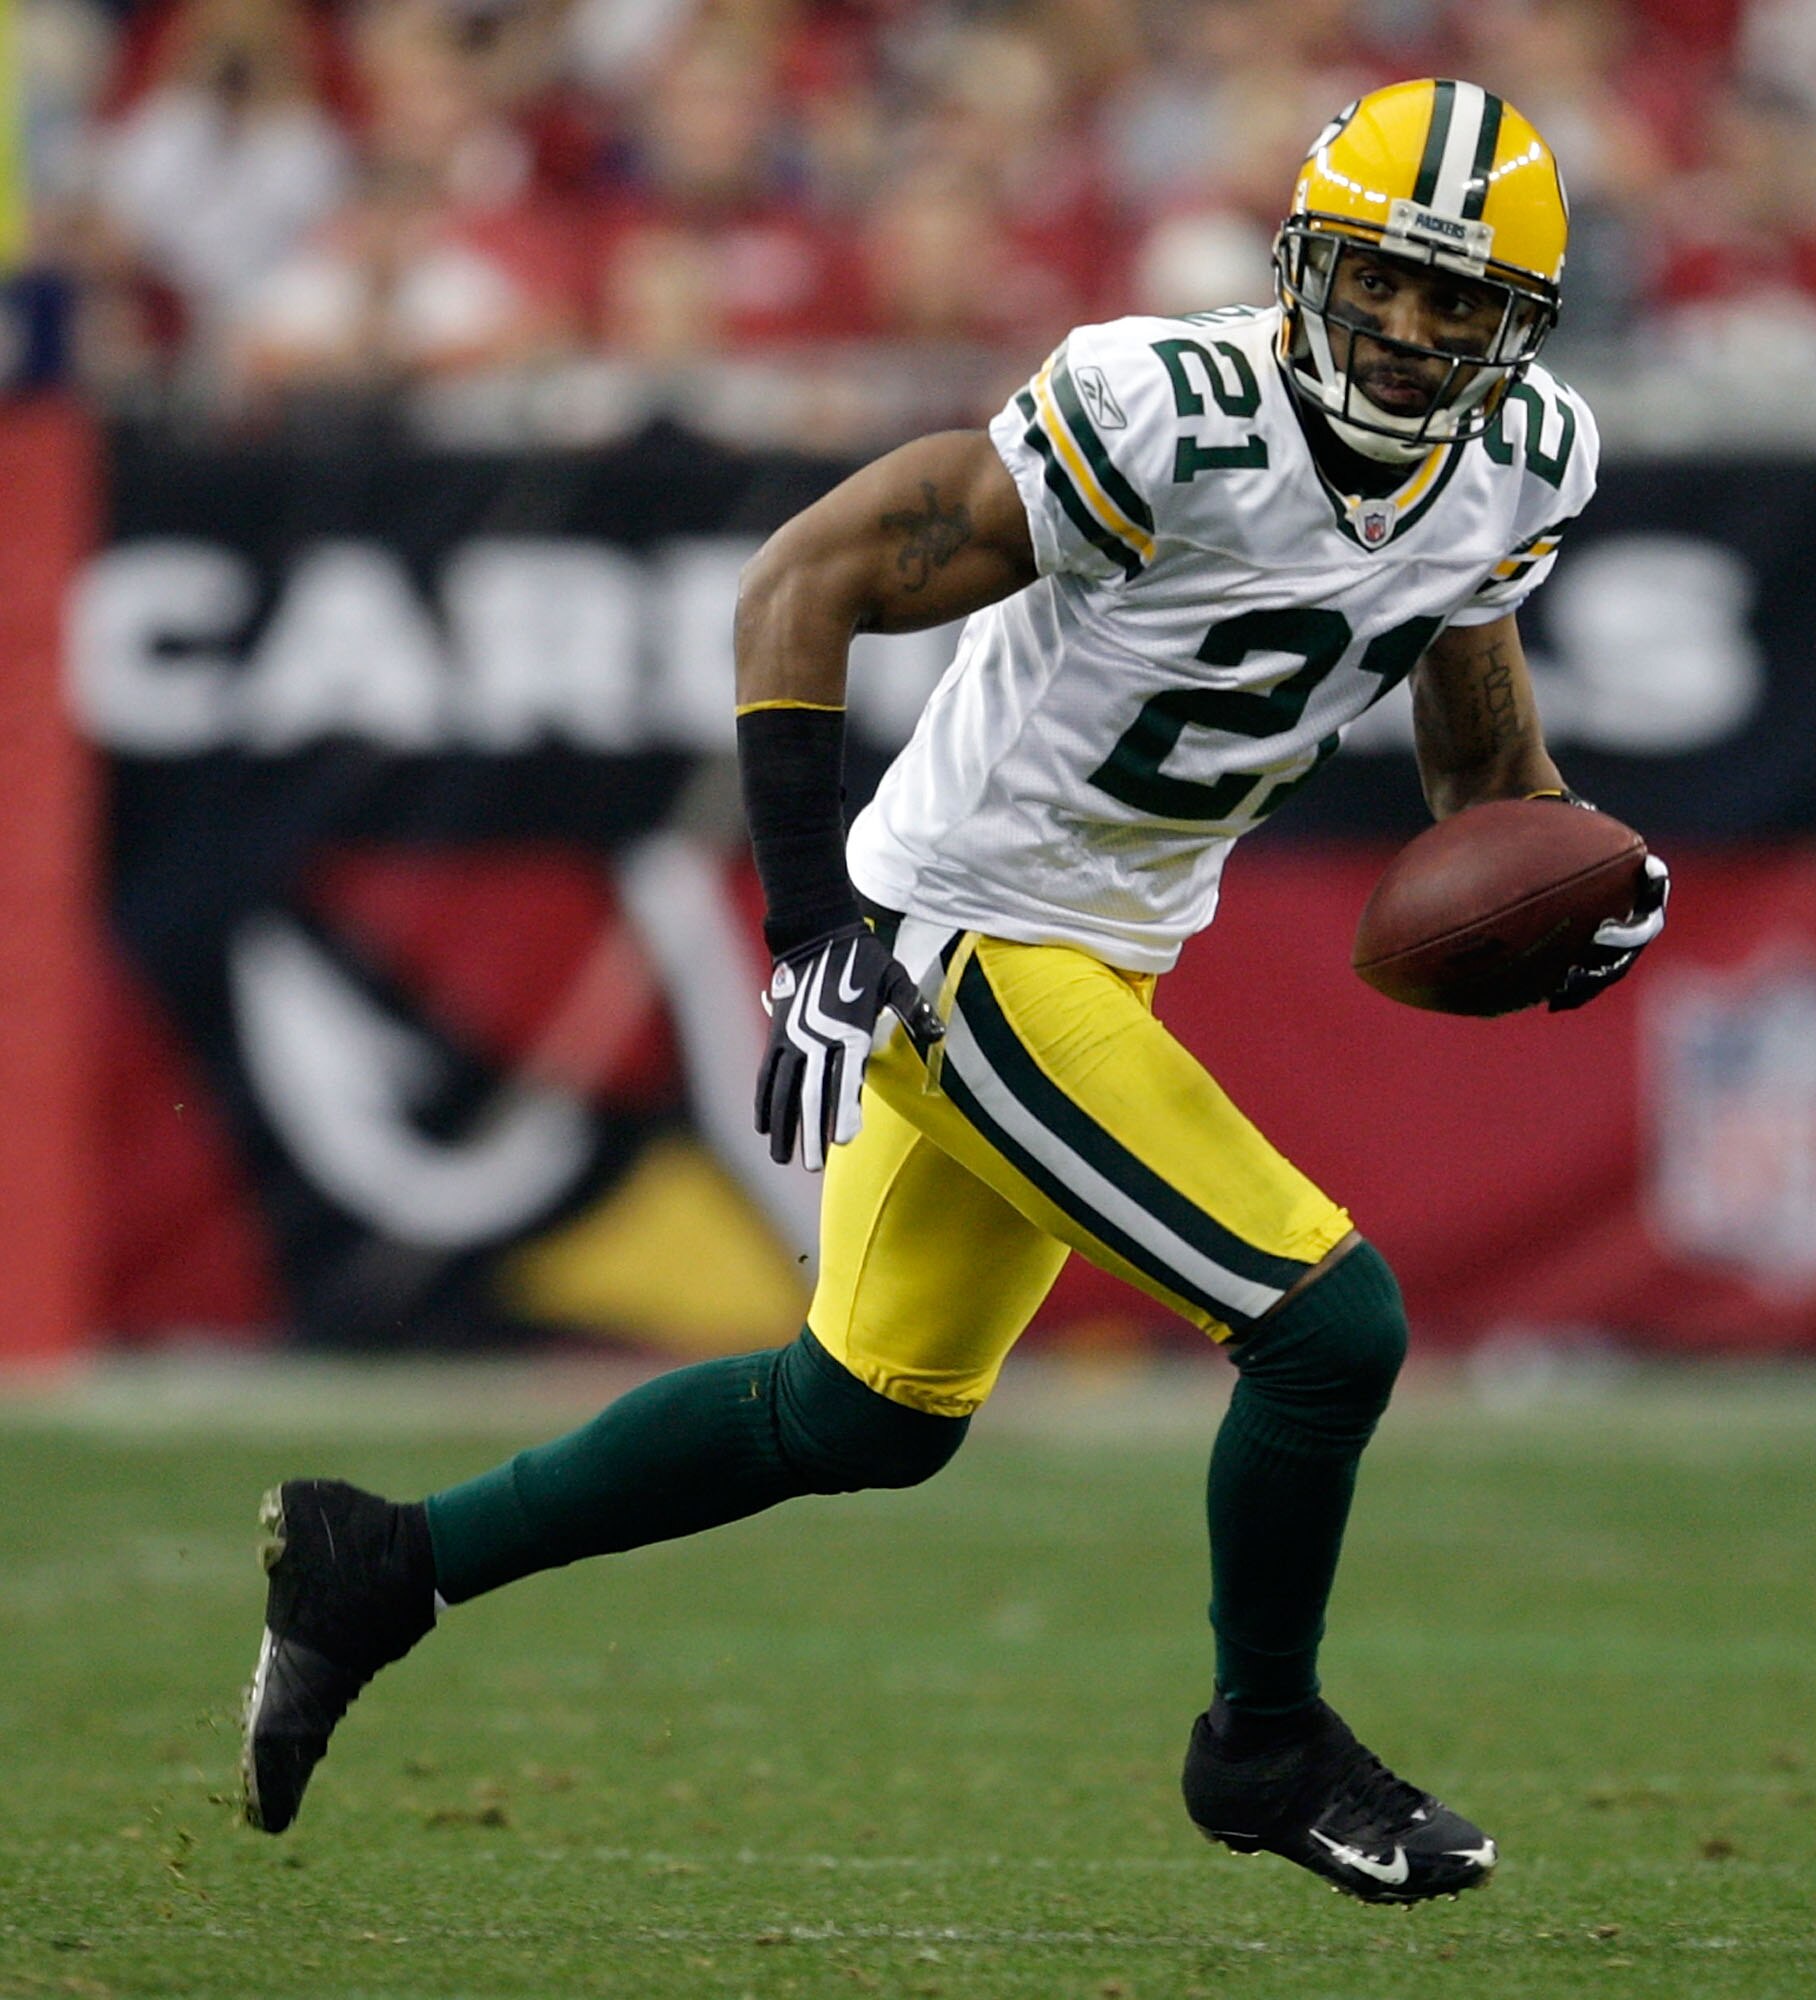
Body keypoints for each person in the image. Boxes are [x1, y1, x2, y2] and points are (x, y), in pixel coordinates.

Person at [236, 77, 1667, 1908]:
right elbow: (802, 576)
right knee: (1329, 1329)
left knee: (866, 1416)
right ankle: (1266, 1744)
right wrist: (805, 919)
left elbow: (1479, 761)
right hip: (962, 929)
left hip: (1106, 943)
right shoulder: (1167, 411)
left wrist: (1571, 865)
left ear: (1521, 325)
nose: (1405, 327)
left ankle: (382, 1562)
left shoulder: (1518, 458)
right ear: (1307, 258)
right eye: (1379, 279)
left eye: (1456, 301)